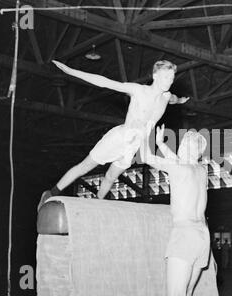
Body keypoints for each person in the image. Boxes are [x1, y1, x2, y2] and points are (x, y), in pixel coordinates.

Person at [37, 60, 189, 211]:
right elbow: (105, 82)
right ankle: (51, 193)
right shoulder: (138, 90)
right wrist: (71, 71)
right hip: (120, 138)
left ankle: (97, 204)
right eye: (166, 77)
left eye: (171, 78)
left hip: (133, 146)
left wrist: (181, 100)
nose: (169, 81)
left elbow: (174, 99)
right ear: (155, 76)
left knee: (111, 177)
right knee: (85, 166)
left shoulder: (167, 97)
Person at [140, 124, 209, 296]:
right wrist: (161, 144)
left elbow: (145, 156)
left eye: (183, 142)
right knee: (187, 295)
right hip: (202, 235)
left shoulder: (178, 168)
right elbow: (180, 161)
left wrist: (142, 131)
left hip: (185, 233)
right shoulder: (201, 171)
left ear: (184, 147)